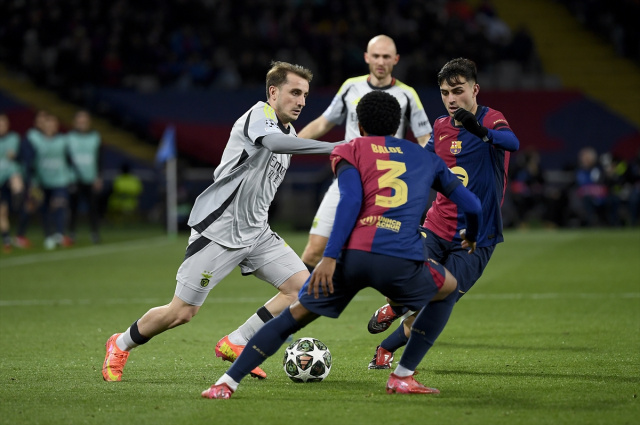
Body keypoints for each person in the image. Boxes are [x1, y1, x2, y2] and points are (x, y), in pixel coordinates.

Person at [201, 90, 483, 399]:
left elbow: (349, 201)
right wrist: (471, 233)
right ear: (399, 126)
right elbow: (473, 205)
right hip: (401, 260)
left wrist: (330, 256)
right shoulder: (426, 157)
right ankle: (402, 375)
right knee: (448, 289)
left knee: (291, 319)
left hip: (352, 257)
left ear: (360, 126)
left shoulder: (351, 149)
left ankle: (226, 383)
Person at [102, 61, 344, 382]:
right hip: (219, 229)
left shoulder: (289, 132)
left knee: (302, 291)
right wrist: (335, 146)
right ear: (273, 92)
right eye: (294, 93)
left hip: (257, 233)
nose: (301, 101)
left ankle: (237, 342)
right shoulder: (260, 116)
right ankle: (119, 344)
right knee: (182, 313)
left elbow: (285, 144)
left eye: (305, 95)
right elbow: (273, 143)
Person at [366, 58, 519, 370]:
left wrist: (482, 132)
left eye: (458, 91)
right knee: (408, 276)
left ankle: (387, 346)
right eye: (445, 92)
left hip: (478, 236)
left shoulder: (492, 119)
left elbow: (512, 142)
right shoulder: (440, 126)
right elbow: (425, 162)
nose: (451, 99)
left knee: (439, 301)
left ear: (474, 90)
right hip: (437, 226)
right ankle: (396, 307)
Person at [298, 35, 433, 271]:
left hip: (385, 186)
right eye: (376, 56)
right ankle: (299, 304)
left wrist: (420, 171)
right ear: (366, 57)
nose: (381, 61)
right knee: (312, 252)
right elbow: (322, 123)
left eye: (386, 57)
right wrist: (289, 145)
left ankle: (400, 305)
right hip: (347, 177)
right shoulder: (351, 87)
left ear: (396, 59)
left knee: (389, 258)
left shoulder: (407, 94)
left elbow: (425, 139)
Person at [26, 114, 74, 249]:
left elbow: (69, 160)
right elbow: (32, 162)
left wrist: (71, 177)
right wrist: (33, 181)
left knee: (59, 205)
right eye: (47, 125)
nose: (50, 127)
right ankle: (48, 236)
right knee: (44, 209)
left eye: (53, 124)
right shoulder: (36, 141)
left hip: (60, 180)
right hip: (42, 181)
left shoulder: (63, 141)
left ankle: (59, 233)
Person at [67, 110, 103, 243]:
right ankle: (71, 234)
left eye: (85, 120)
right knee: (73, 208)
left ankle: (95, 234)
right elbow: (66, 158)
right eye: (79, 120)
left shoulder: (95, 137)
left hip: (91, 178)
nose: (82, 123)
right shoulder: (69, 138)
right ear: (75, 122)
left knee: (93, 208)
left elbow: (100, 158)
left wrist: (99, 176)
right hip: (74, 178)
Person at [0, 114, 24, 253]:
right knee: (2, 213)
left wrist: (15, 156)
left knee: (16, 179)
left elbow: (22, 157)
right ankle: (7, 239)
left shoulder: (14, 138)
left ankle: (18, 200)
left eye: (3, 124)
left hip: (11, 174)